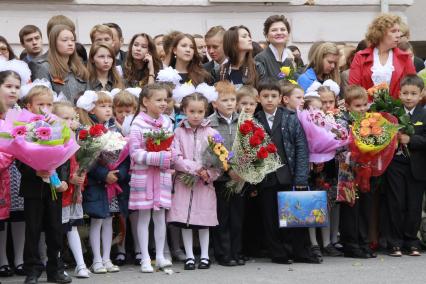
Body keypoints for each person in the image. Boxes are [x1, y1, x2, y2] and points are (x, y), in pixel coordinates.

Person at [254, 79, 320, 264]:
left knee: (295, 215)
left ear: (280, 99)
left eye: (273, 96)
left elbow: (301, 147)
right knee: (270, 216)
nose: (269, 100)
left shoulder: (290, 118)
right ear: (258, 98)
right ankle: (278, 253)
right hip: (266, 177)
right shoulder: (254, 120)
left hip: (288, 174)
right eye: (265, 96)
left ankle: (300, 251)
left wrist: (301, 177)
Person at [17, 85, 71, 284]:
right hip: (33, 188)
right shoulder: (24, 128)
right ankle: (32, 269)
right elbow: (20, 158)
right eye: (40, 104)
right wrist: (34, 170)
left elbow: (65, 155)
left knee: (55, 229)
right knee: (32, 229)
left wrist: (64, 179)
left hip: (53, 188)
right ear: (29, 106)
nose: (45, 108)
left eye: (49, 104)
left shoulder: (58, 127)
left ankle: (55, 268)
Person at [76, 90, 129, 274]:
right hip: (97, 183)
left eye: (109, 106)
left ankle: (107, 258)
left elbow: (124, 156)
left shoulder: (116, 129)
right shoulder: (86, 131)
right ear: (91, 109)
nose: (108, 110)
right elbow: (85, 159)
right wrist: (103, 174)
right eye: (102, 106)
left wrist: (118, 173)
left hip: (112, 182)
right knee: (97, 220)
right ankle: (96, 259)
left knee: (109, 220)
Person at [168, 92, 221, 270]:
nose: (196, 115)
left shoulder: (212, 132)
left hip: (204, 185)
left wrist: (209, 173)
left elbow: (220, 159)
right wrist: (195, 167)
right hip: (184, 183)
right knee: (186, 221)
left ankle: (204, 256)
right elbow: (175, 157)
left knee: (203, 221)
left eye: (200, 111)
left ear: (206, 111)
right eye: (192, 111)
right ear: (184, 110)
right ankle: (189, 256)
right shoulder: (178, 131)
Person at [128, 83, 174, 273]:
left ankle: (161, 256)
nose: (163, 103)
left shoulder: (167, 122)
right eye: (158, 100)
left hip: (162, 176)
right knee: (144, 216)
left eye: (165, 99)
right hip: (144, 177)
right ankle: (145, 257)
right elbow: (135, 152)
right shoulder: (138, 123)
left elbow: (172, 147)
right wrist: (158, 157)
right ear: (145, 102)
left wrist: (169, 157)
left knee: (160, 216)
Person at [382, 75, 426, 257]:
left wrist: (411, 140)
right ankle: (395, 242)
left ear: (421, 94)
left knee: (414, 205)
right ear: (399, 93)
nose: (409, 97)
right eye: (405, 93)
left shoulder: (424, 114)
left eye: (413, 93)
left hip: (417, 166)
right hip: (395, 164)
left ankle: (411, 241)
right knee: (396, 203)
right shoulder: (392, 113)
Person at [52, 102, 90, 279]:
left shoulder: (76, 137)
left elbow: (81, 162)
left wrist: (81, 178)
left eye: (71, 118)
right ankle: (54, 264)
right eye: (64, 118)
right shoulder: (53, 139)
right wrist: (68, 179)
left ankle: (81, 265)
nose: (69, 122)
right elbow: (54, 165)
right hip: (59, 190)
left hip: (73, 191)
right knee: (57, 229)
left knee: (72, 227)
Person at [209, 81, 243, 266]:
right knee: (222, 216)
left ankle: (236, 252)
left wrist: (245, 169)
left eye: (232, 99)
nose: (230, 103)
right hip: (221, 179)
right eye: (224, 100)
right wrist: (227, 169)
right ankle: (223, 254)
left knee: (238, 218)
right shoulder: (210, 123)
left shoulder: (243, 121)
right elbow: (210, 151)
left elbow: (250, 146)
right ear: (214, 103)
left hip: (241, 178)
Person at [339, 85, 373, 259]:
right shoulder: (342, 122)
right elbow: (338, 146)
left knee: (365, 206)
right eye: (357, 106)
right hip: (348, 170)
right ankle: (351, 244)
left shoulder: (371, 122)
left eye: (364, 105)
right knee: (351, 206)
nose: (362, 109)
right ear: (347, 105)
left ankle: (364, 241)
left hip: (365, 171)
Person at [349, 13, 416, 99]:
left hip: (397, 109)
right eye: (393, 31)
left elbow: (413, 86)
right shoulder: (361, 56)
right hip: (366, 110)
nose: (398, 35)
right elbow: (353, 89)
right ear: (380, 33)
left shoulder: (405, 57)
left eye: (399, 31)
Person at [30, 24, 88, 103]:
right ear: (54, 43)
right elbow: (42, 100)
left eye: (72, 40)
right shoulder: (43, 67)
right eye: (65, 40)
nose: (70, 43)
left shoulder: (80, 67)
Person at [255, 15, 295, 82]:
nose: (279, 33)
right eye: (274, 30)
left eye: (283, 29)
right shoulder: (261, 59)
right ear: (266, 36)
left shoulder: (288, 62)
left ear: (288, 35)